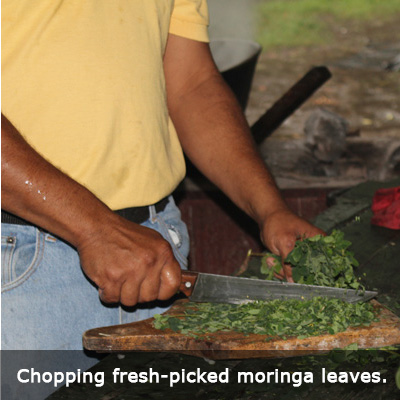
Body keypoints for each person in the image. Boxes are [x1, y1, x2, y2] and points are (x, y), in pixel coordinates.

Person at [2, 0, 323, 356]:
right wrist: (94, 229)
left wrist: (269, 209)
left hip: (158, 245)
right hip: (21, 258)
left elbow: (191, 84)